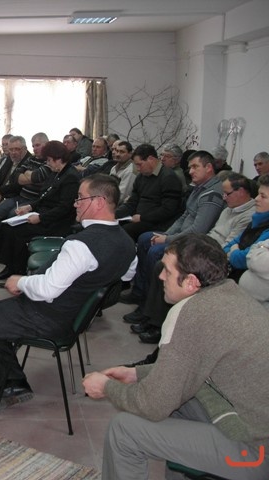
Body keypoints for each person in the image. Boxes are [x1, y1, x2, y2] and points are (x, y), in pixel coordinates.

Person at [83, 234, 269, 480]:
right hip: (251, 426)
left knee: (124, 431)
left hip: (256, 452)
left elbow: (152, 404)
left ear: (191, 282)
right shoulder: (229, 294)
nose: (161, 276)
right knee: (176, 403)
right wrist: (137, 373)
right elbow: (190, 368)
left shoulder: (191, 314)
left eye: (168, 271)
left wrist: (106, 387)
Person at [0, 174, 137, 414]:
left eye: (80, 198)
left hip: (48, 316)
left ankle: (3, 388)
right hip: (74, 317)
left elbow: (48, 290)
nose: (75, 203)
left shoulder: (82, 245)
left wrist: (21, 281)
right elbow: (126, 277)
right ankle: (14, 381)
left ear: (99, 202)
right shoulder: (127, 243)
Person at [124, 173, 257, 346]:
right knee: (157, 258)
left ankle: (156, 322)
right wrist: (170, 236)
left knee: (162, 264)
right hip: (205, 246)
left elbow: (228, 245)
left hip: (213, 257)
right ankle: (148, 311)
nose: (224, 198)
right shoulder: (228, 209)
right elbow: (210, 232)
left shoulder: (247, 216)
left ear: (242, 192)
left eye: (227, 193)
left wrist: (187, 246)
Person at [119, 150, 225, 343]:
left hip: (196, 244)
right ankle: (140, 293)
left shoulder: (212, 195)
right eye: (189, 167)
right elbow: (184, 217)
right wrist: (166, 235)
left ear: (209, 167)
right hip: (180, 236)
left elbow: (198, 230)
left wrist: (168, 240)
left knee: (156, 254)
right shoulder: (198, 189)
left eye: (195, 167)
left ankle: (152, 316)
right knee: (145, 238)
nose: (190, 171)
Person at [0, 140, 80, 280]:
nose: (47, 163)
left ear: (58, 159)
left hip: (56, 222)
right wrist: (30, 207)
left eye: (49, 160)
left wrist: (40, 218)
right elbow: (44, 196)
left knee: (19, 232)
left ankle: (19, 272)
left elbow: (64, 208)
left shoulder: (71, 177)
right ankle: (10, 268)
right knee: (7, 227)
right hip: (44, 214)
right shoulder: (56, 172)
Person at [114, 144, 184, 241]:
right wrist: (114, 214)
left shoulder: (169, 177)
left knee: (124, 231)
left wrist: (142, 217)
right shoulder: (141, 177)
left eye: (139, 164)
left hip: (157, 223)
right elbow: (132, 203)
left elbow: (168, 209)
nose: (138, 169)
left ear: (151, 159)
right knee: (111, 225)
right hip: (138, 218)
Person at [223, 173, 269, 281]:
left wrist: (234, 251)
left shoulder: (266, 230)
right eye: (258, 194)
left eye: (263, 196)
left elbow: (245, 259)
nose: (256, 199)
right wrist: (235, 251)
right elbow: (230, 245)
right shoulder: (256, 220)